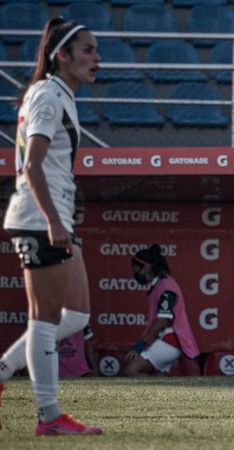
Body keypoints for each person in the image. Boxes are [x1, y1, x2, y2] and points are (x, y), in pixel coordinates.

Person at [0, 18, 101, 435]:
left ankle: (4, 369)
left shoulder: (58, 94)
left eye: (96, 50)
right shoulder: (48, 95)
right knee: (43, 321)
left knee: (75, 315)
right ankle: (49, 416)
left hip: (52, 217)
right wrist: (54, 221)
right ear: (62, 56)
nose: (97, 58)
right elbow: (31, 166)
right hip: (41, 219)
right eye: (88, 50)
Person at [124, 245, 200, 377]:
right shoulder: (161, 285)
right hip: (168, 340)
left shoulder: (166, 287)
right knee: (158, 379)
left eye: (136, 269)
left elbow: (162, 322)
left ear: (147, 267)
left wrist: (139, 346)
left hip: (170, 341)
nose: (135, 274)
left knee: (131, 371)